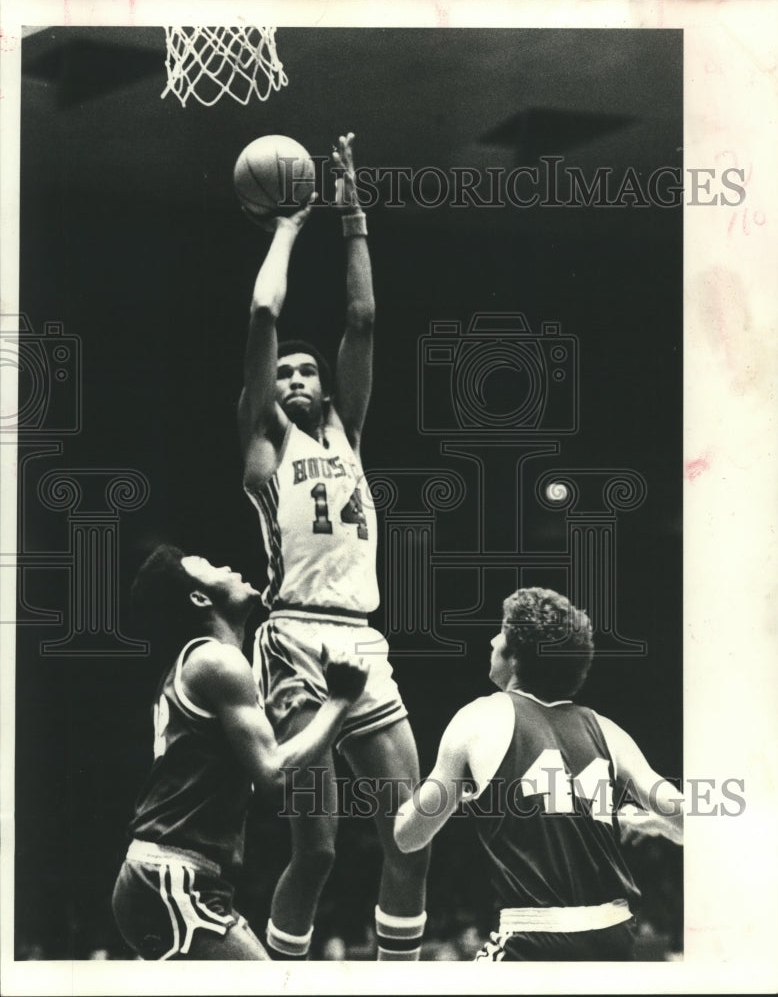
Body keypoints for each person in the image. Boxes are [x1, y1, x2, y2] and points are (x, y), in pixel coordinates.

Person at [237, 132, 429, 960]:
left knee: (412, 830)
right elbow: (262, 316)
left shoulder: (348, 433)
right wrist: (287, 227)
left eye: (306, 373)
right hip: (294, 638)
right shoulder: (265, 447)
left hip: (363, 636)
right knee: (314, 849)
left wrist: (352, 211)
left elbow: (364, 316)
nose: (295, 381)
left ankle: (399, 976)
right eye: (283, 375)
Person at [394, 587, 684, 962]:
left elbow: (407, 836)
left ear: (515, 656)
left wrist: (438, 793)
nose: (492, 639)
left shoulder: (479, 718)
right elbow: (689, 820)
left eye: (500, 632)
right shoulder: (609, 731)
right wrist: (655, 824)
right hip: (615, 936)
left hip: (533, 936)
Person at [111, 544, 368, 961]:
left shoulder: (200, 667)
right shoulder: (219, 662)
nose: (227, 564)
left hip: (172, 879)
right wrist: (340, 701)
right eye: (211, 564)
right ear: (199, 598)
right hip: (172, 878)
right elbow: (273, 777)